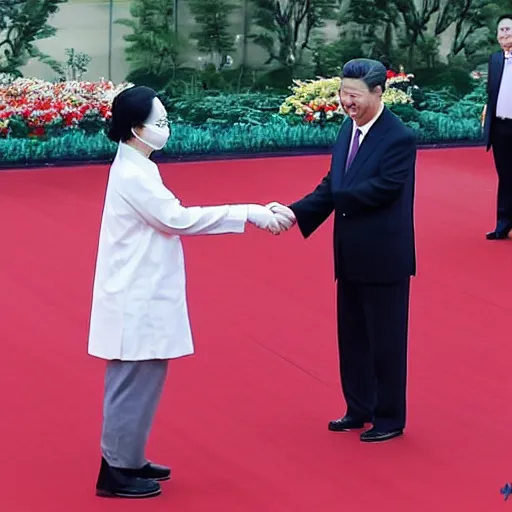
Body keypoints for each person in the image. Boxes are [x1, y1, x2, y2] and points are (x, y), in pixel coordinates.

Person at [88, 85, 282, 499]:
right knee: (132, 381)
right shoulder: (132, 172)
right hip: (134, 294)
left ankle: (129, 456)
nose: (166, 129)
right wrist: (246, 212)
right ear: (135, 128)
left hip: (143, 289)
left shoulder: (139, 163)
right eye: (158, 123)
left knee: (147, 376)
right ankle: (116, 471)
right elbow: (175, 219)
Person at [268, 58, 417, 443]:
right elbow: (330, 184)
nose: (346, 102)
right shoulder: (347, 131)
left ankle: (389, 418)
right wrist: (294, 212)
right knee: (352, 337)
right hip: (349, 253)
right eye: (343, 93)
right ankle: (358, 408)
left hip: (384, 257)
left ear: (378, 93)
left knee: (386, 342)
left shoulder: (397, 137)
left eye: (354, 95)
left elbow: (383, 189)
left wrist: (336, 196)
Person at [482, 14, 512, 240]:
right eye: (501, 30)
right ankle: (503, 222)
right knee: (505, 175)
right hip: (500, 127)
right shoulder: (495, 60)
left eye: (509, 29)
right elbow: (491, 94)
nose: (505, 34)